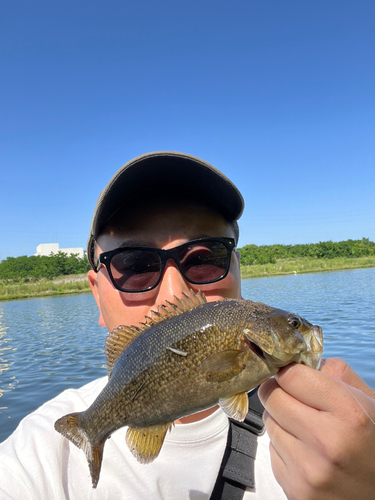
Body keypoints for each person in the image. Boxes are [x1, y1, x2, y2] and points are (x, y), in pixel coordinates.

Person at [0, 151, 374, 500]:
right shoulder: (37, 458)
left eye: (205, 258)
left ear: (237, 270)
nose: (173, 293)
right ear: (96, 293)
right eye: (134, 265)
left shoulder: (350, 433)